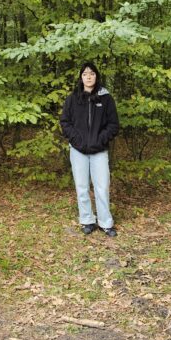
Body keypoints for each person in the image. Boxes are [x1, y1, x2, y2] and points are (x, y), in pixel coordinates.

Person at [60, 62, 120, 236]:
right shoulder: (72, 99)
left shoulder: (105, 98)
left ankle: (105, 223)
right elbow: (65, 122)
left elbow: (113, 125)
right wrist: (77, 140)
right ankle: (87, 220)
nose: (88, 77)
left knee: (102, 187)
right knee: (82, 187)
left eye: (92, 73)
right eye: (85, 74)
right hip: (78, 150)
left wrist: (100, 140)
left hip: (99, 150)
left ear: (96, 76)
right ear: (81, 77)